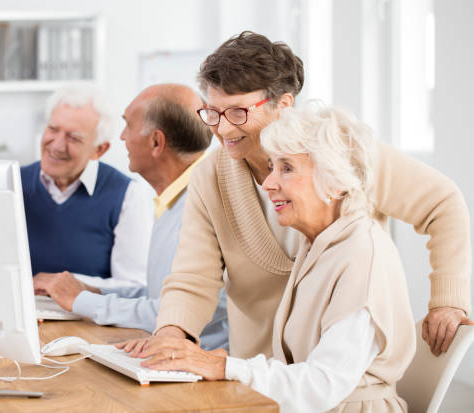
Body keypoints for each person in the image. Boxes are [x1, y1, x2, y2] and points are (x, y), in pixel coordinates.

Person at [123, 31, 470, 362]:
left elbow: (442, 203)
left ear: (284, 104)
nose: (223, 128)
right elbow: (192, 276)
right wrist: (170, 334)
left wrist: (448, 299)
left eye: (238, 112)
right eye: (213, 113)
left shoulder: (341, 154)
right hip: (258, 374)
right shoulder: (209, 177)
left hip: (347, 375)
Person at [121, 104, 417, 412]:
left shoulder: (361, 254)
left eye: (287, 168)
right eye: (272, 167)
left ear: (336, 180)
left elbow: (322, 383)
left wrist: (223, 367)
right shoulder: (317, 245)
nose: (268, 183)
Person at [33, 84, 229, 350]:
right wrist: (93, 291)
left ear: (156, 143)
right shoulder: (175, 199)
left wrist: (82, 301)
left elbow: (177, 314)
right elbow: (159, 295)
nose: (123, 137)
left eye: (128, 126)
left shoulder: (202, 205)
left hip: (193, 370)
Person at [22, 85, 152, 290]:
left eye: (74, 138)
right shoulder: (14, 184)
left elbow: (135, 287)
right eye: (53, 129)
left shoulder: (127, 195)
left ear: (99, 150)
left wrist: (65, 285)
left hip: (87, 320)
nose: (56, 145)